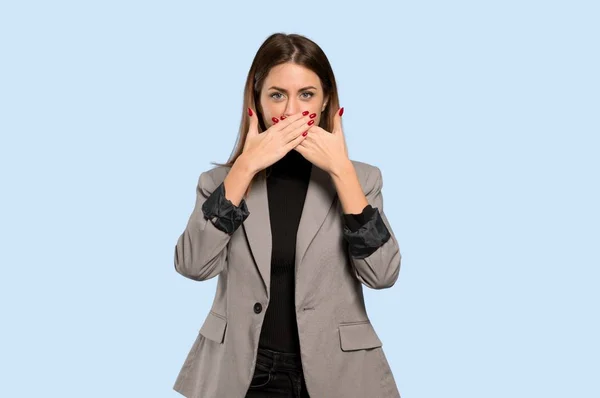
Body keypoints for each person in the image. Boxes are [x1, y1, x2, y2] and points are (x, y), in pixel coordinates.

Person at [172, 32, 402, 398]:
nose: (292, 112)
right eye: (277, 95)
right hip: (246, 374)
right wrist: (244, 169)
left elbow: (383, 274)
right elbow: (193, 265)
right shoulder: (220, 182)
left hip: (340, 374)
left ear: (326, 101)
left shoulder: (361, 179)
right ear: (257, 102)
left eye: (306, 95)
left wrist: (341, 172)